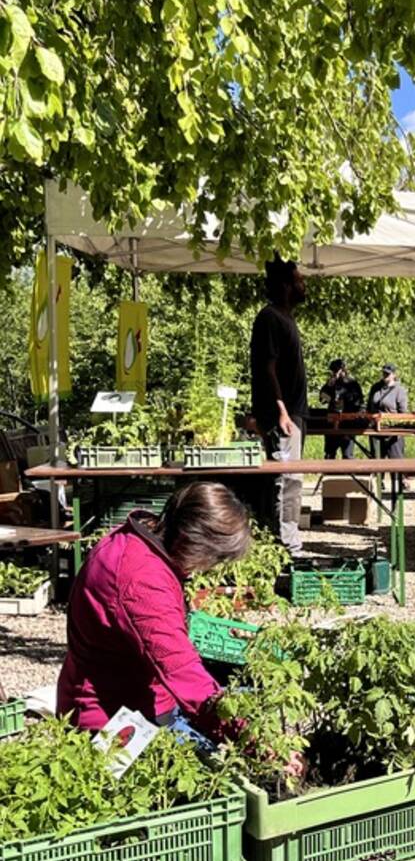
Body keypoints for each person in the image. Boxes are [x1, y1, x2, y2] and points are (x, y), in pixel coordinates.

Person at [57, 484, 252, 738]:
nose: (210, 568)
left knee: (246, 694)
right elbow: (182, 673)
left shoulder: (136, 538)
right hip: (115, 721)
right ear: (195, 543)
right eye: (215, 559)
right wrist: (251, 739)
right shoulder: (142, 581)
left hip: (121, 692)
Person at [251, 256, 307, 555]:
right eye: (299, 280)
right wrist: (281, 411)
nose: (304, 285)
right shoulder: (270, 318)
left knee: (292, 479)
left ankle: (283, 542)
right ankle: (284, 547)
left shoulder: (286, 318)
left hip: (293, 413)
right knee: (287, 481)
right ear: (285, 286)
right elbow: (267, 367)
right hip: (282, 417)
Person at [319, 358, 364, 459]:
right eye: (333, 371)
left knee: (347, 455)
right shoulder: (330, 383)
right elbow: (322, 399)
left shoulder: (352, 384)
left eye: (336, 370)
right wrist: (328, 388)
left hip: (348, 423)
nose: (334, 373)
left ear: (343, 370)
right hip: (332, 423)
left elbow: (358, 403)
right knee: (329, 454)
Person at [366, 364, 410, 459]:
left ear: (394, 375)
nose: (385, 375)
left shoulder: (399, 390)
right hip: (375, 431)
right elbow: (369, 407)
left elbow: (403, 412)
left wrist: (391, 420)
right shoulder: (375, 388)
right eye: (384, 373)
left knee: (395, 463)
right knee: (376, 461)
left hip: (393, 432)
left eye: (388, 374)